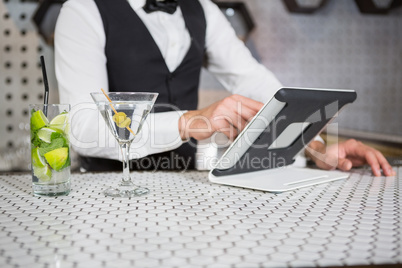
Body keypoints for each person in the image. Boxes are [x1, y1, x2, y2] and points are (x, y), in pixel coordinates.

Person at [54, 0, 395, 176]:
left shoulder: (203, 9)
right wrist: (189, 121)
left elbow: (258, 84)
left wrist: (315, 145)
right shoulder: (83, 9)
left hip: (185, 188)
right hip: (106, 192)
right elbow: (82, 129)